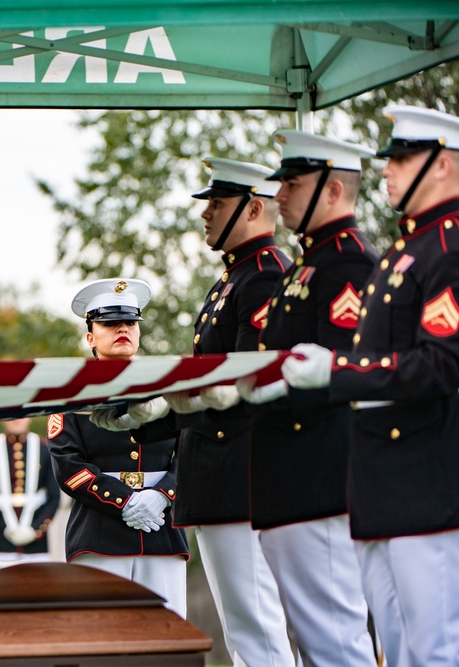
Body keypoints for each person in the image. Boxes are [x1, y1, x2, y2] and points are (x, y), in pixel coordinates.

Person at [281, 105, 459, 667]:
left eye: (403, 158)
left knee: (435, 650)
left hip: (428, 483)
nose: (388, 169)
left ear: (445, 165)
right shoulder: (407, 251)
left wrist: (335, 372)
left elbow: (440, 366)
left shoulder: (449, 251)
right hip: (383, 484)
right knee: (401, 651)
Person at [141, 157, 297, 666]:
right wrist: (151, 417)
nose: (206, 214)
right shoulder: (233, 280)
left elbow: (240, 392)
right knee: (245, 630)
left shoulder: (265, 277)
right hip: (217, 479)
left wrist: (167, 408)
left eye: (218, 204)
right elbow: (202, 392)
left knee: (258, 628)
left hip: (243, 479)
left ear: (255, 208)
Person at [236, 131, 378, 666]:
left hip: (321, 473)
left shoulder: (348, 264)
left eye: (293, 184)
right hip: (291, 477)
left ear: (334, 190)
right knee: (315, 639)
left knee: (336, 640)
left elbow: (344, 371)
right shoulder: (308, 264)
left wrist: (275, 388)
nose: (280, 196)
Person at [48, 279, 189, 616]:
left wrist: (162, 495)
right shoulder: (71, 391)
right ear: (90, 336)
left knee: (167, 636)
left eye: (130, 323)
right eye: (110, 323)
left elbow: (190, 451)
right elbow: (67, 465)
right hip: (99, 533)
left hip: (162, 529)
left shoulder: (167, 385)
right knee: (103, 636)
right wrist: (123, 501)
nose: (122, 329)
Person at [0, 417, 60, 562]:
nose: (16, 420)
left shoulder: (45, 449)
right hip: (0, 540)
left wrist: (36, 530)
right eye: (11, 414)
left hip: (36, 543)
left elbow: (54, 496)